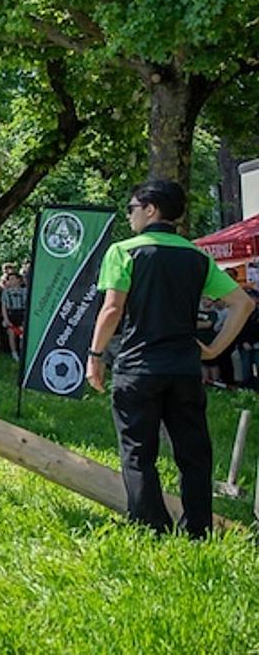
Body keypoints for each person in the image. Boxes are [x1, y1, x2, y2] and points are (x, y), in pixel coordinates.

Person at [87, 180, 255, 538]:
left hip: (138, 366)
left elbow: (112, 308)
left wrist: (95, 355)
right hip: (184, 368)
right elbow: (242, 303)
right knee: (194, 454)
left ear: (151, 209)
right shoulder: (197, 256)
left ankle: (152, 528)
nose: (129, 215)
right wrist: (214, 349)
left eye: (132, 208)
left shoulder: (123, 251)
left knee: (138, 452)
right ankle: (197, 530)